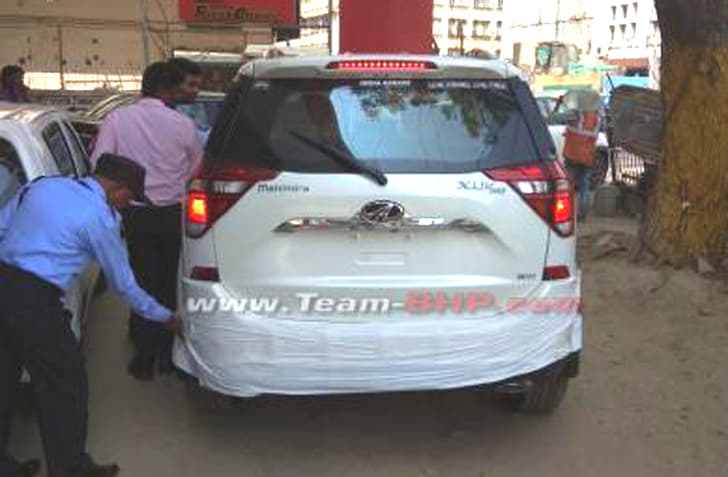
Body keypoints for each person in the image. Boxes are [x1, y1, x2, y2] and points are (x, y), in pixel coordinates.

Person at [0, 153, 178, 477]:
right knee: (65, 383)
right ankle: (70, 470)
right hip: (34, 302)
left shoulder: (43, 186)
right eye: (129, 199)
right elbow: (123, 284)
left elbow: (2, 225)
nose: (126, 206)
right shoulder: (99, 217)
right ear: (117, 189)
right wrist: (164, 316)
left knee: (3, 378)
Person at [91, 62, 203, 380]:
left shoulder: (118, 119)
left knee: (141, 281)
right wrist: (173, 183)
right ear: (167, 89)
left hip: (134, 211)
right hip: (171, 214)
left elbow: (99, 160)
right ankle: (168, 356)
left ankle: (143, 357)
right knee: (168, 282)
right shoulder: (183, 125)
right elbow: (196, 166)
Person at [562, 90, 601, 222]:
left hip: (572, 154)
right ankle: (582, 216)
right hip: (587, 156)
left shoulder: (576, 114)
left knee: (569, 185)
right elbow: (594, 136)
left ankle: (568, 213)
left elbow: (564, 122)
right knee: (585, 186)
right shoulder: (597, 118)